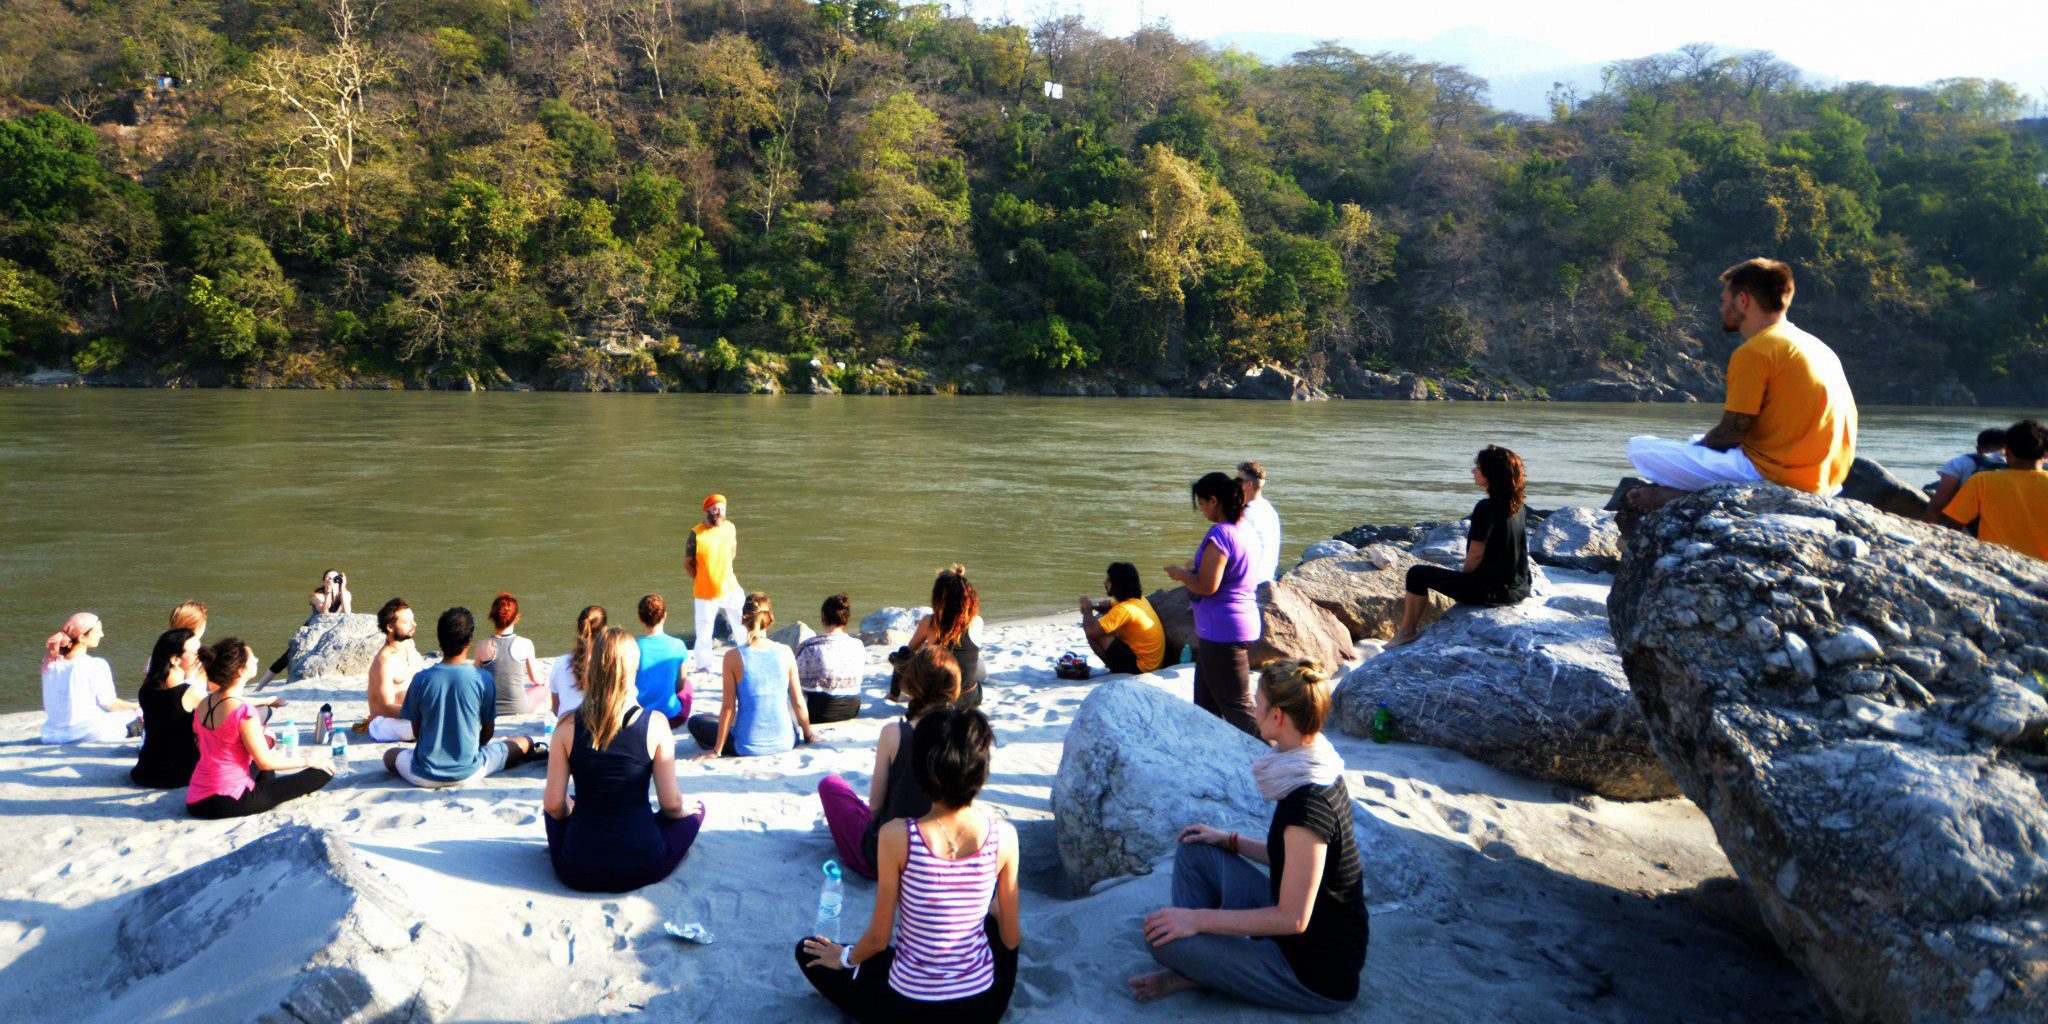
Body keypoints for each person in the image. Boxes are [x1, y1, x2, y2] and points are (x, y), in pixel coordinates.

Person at [1126, 660, 1368, 1013]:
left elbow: (1292, 919)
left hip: (1314, 970)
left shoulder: (1309, 805)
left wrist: (1197, 920)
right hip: (1299, 932)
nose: (1254, 708)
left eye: (1259, 702)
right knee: (1195, 850)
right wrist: (1229, 840)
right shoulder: (1314, 763)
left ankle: (1196, 970)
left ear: (1278, 717)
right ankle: (1204, 964)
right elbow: (1291, 859)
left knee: (1161, 940)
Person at [796, 710, 1021, 1024]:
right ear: (980, 770)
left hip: (909, 1008)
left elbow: (877, 938)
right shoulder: (1004, 836)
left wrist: (845, 958)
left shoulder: (897, 836)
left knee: (808, 952)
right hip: (982, 1009)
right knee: (999, 921)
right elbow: (1011, 940)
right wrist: (992, 912)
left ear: (920, 771)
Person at [1625, 259, 1858, 511]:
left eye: (1726, 299)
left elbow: (1732, 433)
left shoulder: (1756, 351)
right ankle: (1690, 485)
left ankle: (1682, 497)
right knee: (1695, 440)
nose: (1721, 308)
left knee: (1640, 447)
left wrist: (1697, 450)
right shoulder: (1816, 346)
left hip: (1775, 477)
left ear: (1743, 301)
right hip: (1828, 482)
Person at [543, 626, 707, 893]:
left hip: (578, 869)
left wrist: (571, 811)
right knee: (695, 812)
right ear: (634, 669)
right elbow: (671, 804)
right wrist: (688, 809)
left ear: (592, 667)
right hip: (642, 864)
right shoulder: (654, 724)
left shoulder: (566, 726)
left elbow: (552, 805)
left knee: (564, 806)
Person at [817, 646, 960, 879]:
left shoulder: (894, 733)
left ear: (913, 685)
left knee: (830, 784)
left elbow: (875, 806)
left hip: (887, 856)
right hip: (939, 853)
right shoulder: (963, 734)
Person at [1388, 446, 1533, 647]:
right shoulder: (1518, 506)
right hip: (1519, 588)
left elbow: (1475, 554)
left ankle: (1407, 631)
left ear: (1492, 473)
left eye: (1478, 467)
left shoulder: (1486, 507)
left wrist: (1464, 582)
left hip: (1491, 592)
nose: (1473, 471)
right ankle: (1407, 630)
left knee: (1416, 574)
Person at [382, 607, 541, 789]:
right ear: (470, 641)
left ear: (440, 639)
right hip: (470, 771)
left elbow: (418, 734)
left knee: (390, 755)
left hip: (423, 774)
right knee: (525, 742)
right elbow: (487, 733)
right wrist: (472, 747)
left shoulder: (420, 679)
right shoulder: (483, 678)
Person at [187, 638, 332, 819]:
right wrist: (309, 759)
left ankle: (265, 789)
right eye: (252, 657)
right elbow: (266, 762)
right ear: (240, 670)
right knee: (324, 771)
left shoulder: (204, 703)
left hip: (195, 797)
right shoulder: (244, 712)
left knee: (260, 755)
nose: (256, 660)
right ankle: (267, 792)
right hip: (226, 800)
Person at [1169, 472, 1262, 736]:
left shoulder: (1221, 534)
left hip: (1224, 629)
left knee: (1237, 706)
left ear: (1213, 500)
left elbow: (1207, 586)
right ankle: (1208, 755)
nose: (1200, 509)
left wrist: (1181, 574)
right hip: (1229, 626)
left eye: (1201, 503)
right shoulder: (1244, 531)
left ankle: (1273, 759)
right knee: (1205, 705)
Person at [136, 627, 285, 788]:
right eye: (195, 653)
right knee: (262, 731)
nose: (200, 656)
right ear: (175, 660)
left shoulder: (146, 688)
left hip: (145, 769)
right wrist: (267, 702)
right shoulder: (189, 693)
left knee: (260, 715)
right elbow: (228, 702)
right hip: (180, 773)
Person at [688, 593, 815, 757]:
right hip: (786, 741)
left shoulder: (732, 657)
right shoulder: (786, 652)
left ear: (743, 620)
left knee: (696, 722)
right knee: (785, 704)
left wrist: (717, 750)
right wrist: (809, 735)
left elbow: (728, 708)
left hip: (747, 744)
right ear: (769, 619)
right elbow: (797, 702)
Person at [1941, 419, 2048, 561]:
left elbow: (1953, 524)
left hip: (1996, 563)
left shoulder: (1981, 480)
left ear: (2007, 452)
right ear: (2046, 455)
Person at [889, 565, 988, 712]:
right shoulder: (976, 622)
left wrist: (894, 691)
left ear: (938, 598)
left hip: (939, 701)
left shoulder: (929, 623)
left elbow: (906, 655)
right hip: (970, 697)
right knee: (976, 663)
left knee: (903, 655)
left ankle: (893, 695)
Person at [40, 613, 139, 744]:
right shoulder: (95, 665)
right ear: (81, 637)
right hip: (86, 734)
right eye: (97, 631)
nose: (102, 634)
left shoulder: (50, 664)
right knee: (138, 715)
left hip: (50, 735)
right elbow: (109, 703)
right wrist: (137, 707)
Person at [686, 493, 745, 674]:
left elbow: (732, 553)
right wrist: (702, 577)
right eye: (715, 508)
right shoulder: (696, 534)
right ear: (708, 511)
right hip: (706, 590)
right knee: (704, 632)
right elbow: (688, 563)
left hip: (730, 586)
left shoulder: (730, 528)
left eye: (722, 509)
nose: (719, 512)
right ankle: (703, 665)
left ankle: (747, 656)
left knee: (742, 623)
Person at [261, 569, 352, 684]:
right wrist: (328, 593)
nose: (331, 580)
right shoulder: (317, 596)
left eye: (334, 578)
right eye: (328, 578)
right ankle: (260, 686)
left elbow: (347, 614)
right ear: (323, 581)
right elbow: (325, 614)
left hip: (332, 630)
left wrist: (342, 589)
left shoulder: (345, 594)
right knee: (286, 657)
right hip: (314, 628)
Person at [1078, 562, 1167, 675]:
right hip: (1153, 663)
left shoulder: (1124, 609)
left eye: (1108, 580)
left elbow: (1091, 631)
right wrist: (1093, 606)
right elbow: (1108, 604)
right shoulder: (1138, 600)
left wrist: (1087, 610)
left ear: (1117, 584)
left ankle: (1114, 669)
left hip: (1142, 668)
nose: (1105, 582)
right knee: (1104, 625)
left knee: (1095, 634)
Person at [798, 594, 867, 724]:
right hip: (851, 708)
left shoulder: (809, 647)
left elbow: (796, 684)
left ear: (823, 616)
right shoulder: (858, 645)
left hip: (817, 711)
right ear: (847, 618)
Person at [475, 591, 546, 716]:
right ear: (516, 617)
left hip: (490, 709)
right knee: (543, 688)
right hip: (519, 708)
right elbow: (535, 679)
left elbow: (475, 679)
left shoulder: (482, 645)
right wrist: (544, 681)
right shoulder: (526, 644)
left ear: (491, 616)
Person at [365, 598, 422, 742]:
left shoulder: (408, 647)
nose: (414, 624)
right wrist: (421, 713)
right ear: (390, 627)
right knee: (435, 725)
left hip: (407, 715)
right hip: (383, 723)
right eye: (406, 622)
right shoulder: (384, 661)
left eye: (413, 620)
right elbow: (386, 707)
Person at [1926, 427, 2008, 524]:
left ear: (1978, 449)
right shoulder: (2018, 465)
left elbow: (1938, 507)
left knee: (1931, 487)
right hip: (2001, 527)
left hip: (1966, 529)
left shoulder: (1959, 463)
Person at [634, 594, 691, 726]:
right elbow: (680, 685)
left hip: (641, 716)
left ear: (640, 618)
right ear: (664, 616)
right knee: (688, 685)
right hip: (671, 717)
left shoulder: (633, 646)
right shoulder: (678, 645)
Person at [548, 605, 610, 717]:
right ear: (605, 630)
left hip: (566, 730)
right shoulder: (610, 664)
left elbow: (556, 708)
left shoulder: (560, 662)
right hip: (599, 730)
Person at [1239, 461, 1283, 584]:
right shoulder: (1268, 508)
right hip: (1268, 575)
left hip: (1250, 581)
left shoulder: (1246, 513)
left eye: (1238, 480)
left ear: (1248, 485)